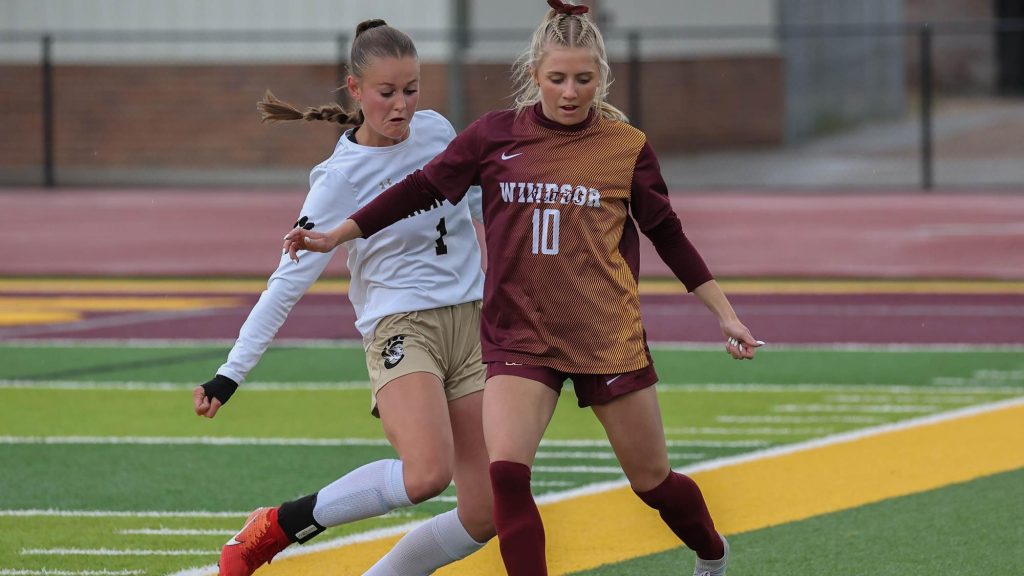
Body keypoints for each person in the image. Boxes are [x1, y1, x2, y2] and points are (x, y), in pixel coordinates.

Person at [284, 2, 762, 575]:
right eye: (557, 78)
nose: (569, 91)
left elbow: (669, 234)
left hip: (605, 337)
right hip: (519, 336)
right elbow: (421, 189)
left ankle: (712, 554)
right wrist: (339, 233)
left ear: (601, 78)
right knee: (505, 477)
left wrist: (725, 314)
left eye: (583, 79)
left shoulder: (625, 146)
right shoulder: (493, 136)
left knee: (652, 481)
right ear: (534, 75)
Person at [192, 19, 495, 576]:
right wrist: (230, 373)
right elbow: (286, 282)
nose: (401, 106)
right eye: (387, 93)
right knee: (427, 474)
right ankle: (279, 524)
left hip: (471, 324)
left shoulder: (436, 130)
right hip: (402, 327)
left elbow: (474, 207)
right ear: (355, 90)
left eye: (411, 89)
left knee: (484, 514)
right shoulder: (339, 178)